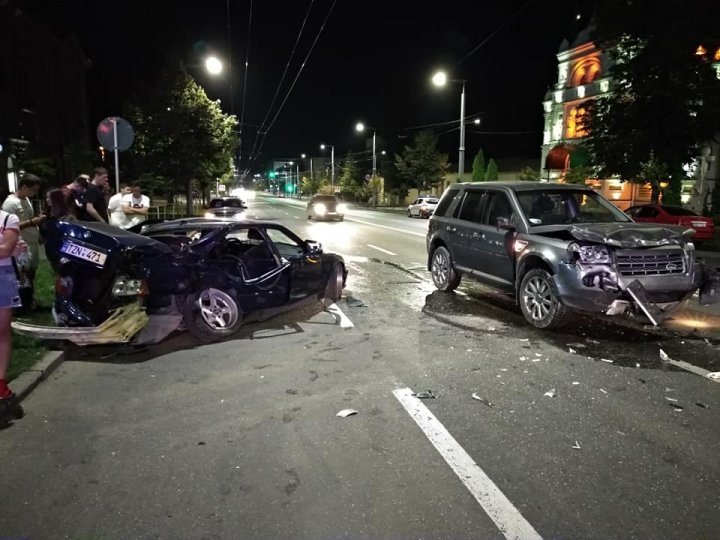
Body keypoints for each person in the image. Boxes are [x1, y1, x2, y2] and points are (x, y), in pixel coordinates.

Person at [2, 173, 43, 310]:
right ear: (24, 187)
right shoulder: (10, 204)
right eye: (33, 190)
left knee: (31, 272)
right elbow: (9, 226)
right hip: (20, 243)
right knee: (21, 273)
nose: (34, 193)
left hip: (31, 241)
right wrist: (31, 222)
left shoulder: (26, 199)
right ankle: (19, 302)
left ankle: (29, 298)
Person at [0, 208, 27, 405]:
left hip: (2, 276)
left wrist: (7, 249)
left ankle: (0, 382)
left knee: (1, 331)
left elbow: (6, 250)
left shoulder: (8, 218)